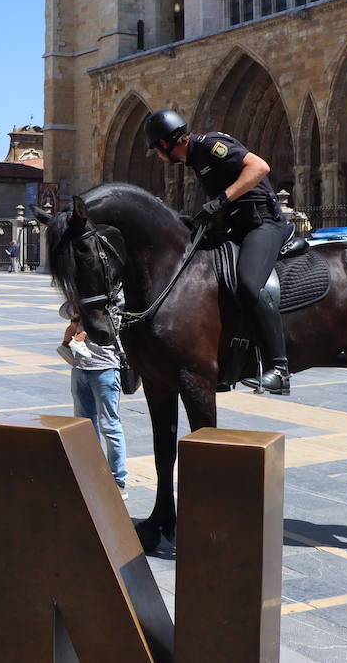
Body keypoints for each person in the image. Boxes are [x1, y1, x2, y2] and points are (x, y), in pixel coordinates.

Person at [145, 108, 291, 394]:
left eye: (157, 150)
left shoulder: (211, 145)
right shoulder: (197, 162)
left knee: (249, 284)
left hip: (263, 224)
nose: (159, 157)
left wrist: (221, 200)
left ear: (166, 144)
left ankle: (279, 368)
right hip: (237, 228)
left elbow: (259, 167)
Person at [59, 302, 128, 496]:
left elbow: (114, 317)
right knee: (83, 427)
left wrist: (89, 309)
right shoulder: (85, 296)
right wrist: (79, 303)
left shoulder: (117, 296)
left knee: (110, 426)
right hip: (80, 369)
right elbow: (64, 311)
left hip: (105, 368)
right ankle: (90, 474)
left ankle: (117, 480)